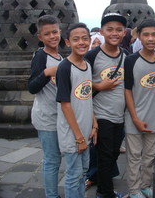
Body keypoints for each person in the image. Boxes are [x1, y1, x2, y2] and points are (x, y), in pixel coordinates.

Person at [84, 13, 128, 198]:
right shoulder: (92, 55)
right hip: (101, 114)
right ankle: (106, 193)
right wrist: (99, 86)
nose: (114, 33)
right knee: (105, 155)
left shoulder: (126, 56)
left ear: (124, 33)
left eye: (119, 30)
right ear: (102, 32)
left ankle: (103, 188)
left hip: (120, 114)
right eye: (109, 29)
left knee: (114, 154)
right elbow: (79, 82)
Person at [124, 19, 155, 198]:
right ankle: (134, 190)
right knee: (134, 157)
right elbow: (127, 90)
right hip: (134, 116)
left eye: (154, 34)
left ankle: (145, 185)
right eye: (146, 35)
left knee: (150, 157)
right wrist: (134, 117)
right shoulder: (130, 60)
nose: (150, 38)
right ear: (139, 37)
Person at [56, 22, 98, 198]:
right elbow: (65, 105)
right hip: (73, 134)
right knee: (73, 175)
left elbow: (87, 97)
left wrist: (94, 124)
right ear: (67, 42)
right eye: (76, 39)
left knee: (84, 171)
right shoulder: (65, 68)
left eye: (85, 39)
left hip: (86, 131)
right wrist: (78, 137)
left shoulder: (87, 64)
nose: (81, 43)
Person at [28, 15, 63, 198]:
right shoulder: (41, 56)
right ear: (40, 37)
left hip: (60, 115)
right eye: (47, 34)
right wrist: (47, 73)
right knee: (52, 159)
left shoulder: (60, 56)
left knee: (58, 158)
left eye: (55, 32)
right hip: (46, 116)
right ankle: (51, 195)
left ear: (60, 32)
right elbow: (32, 86)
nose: (52, 36)